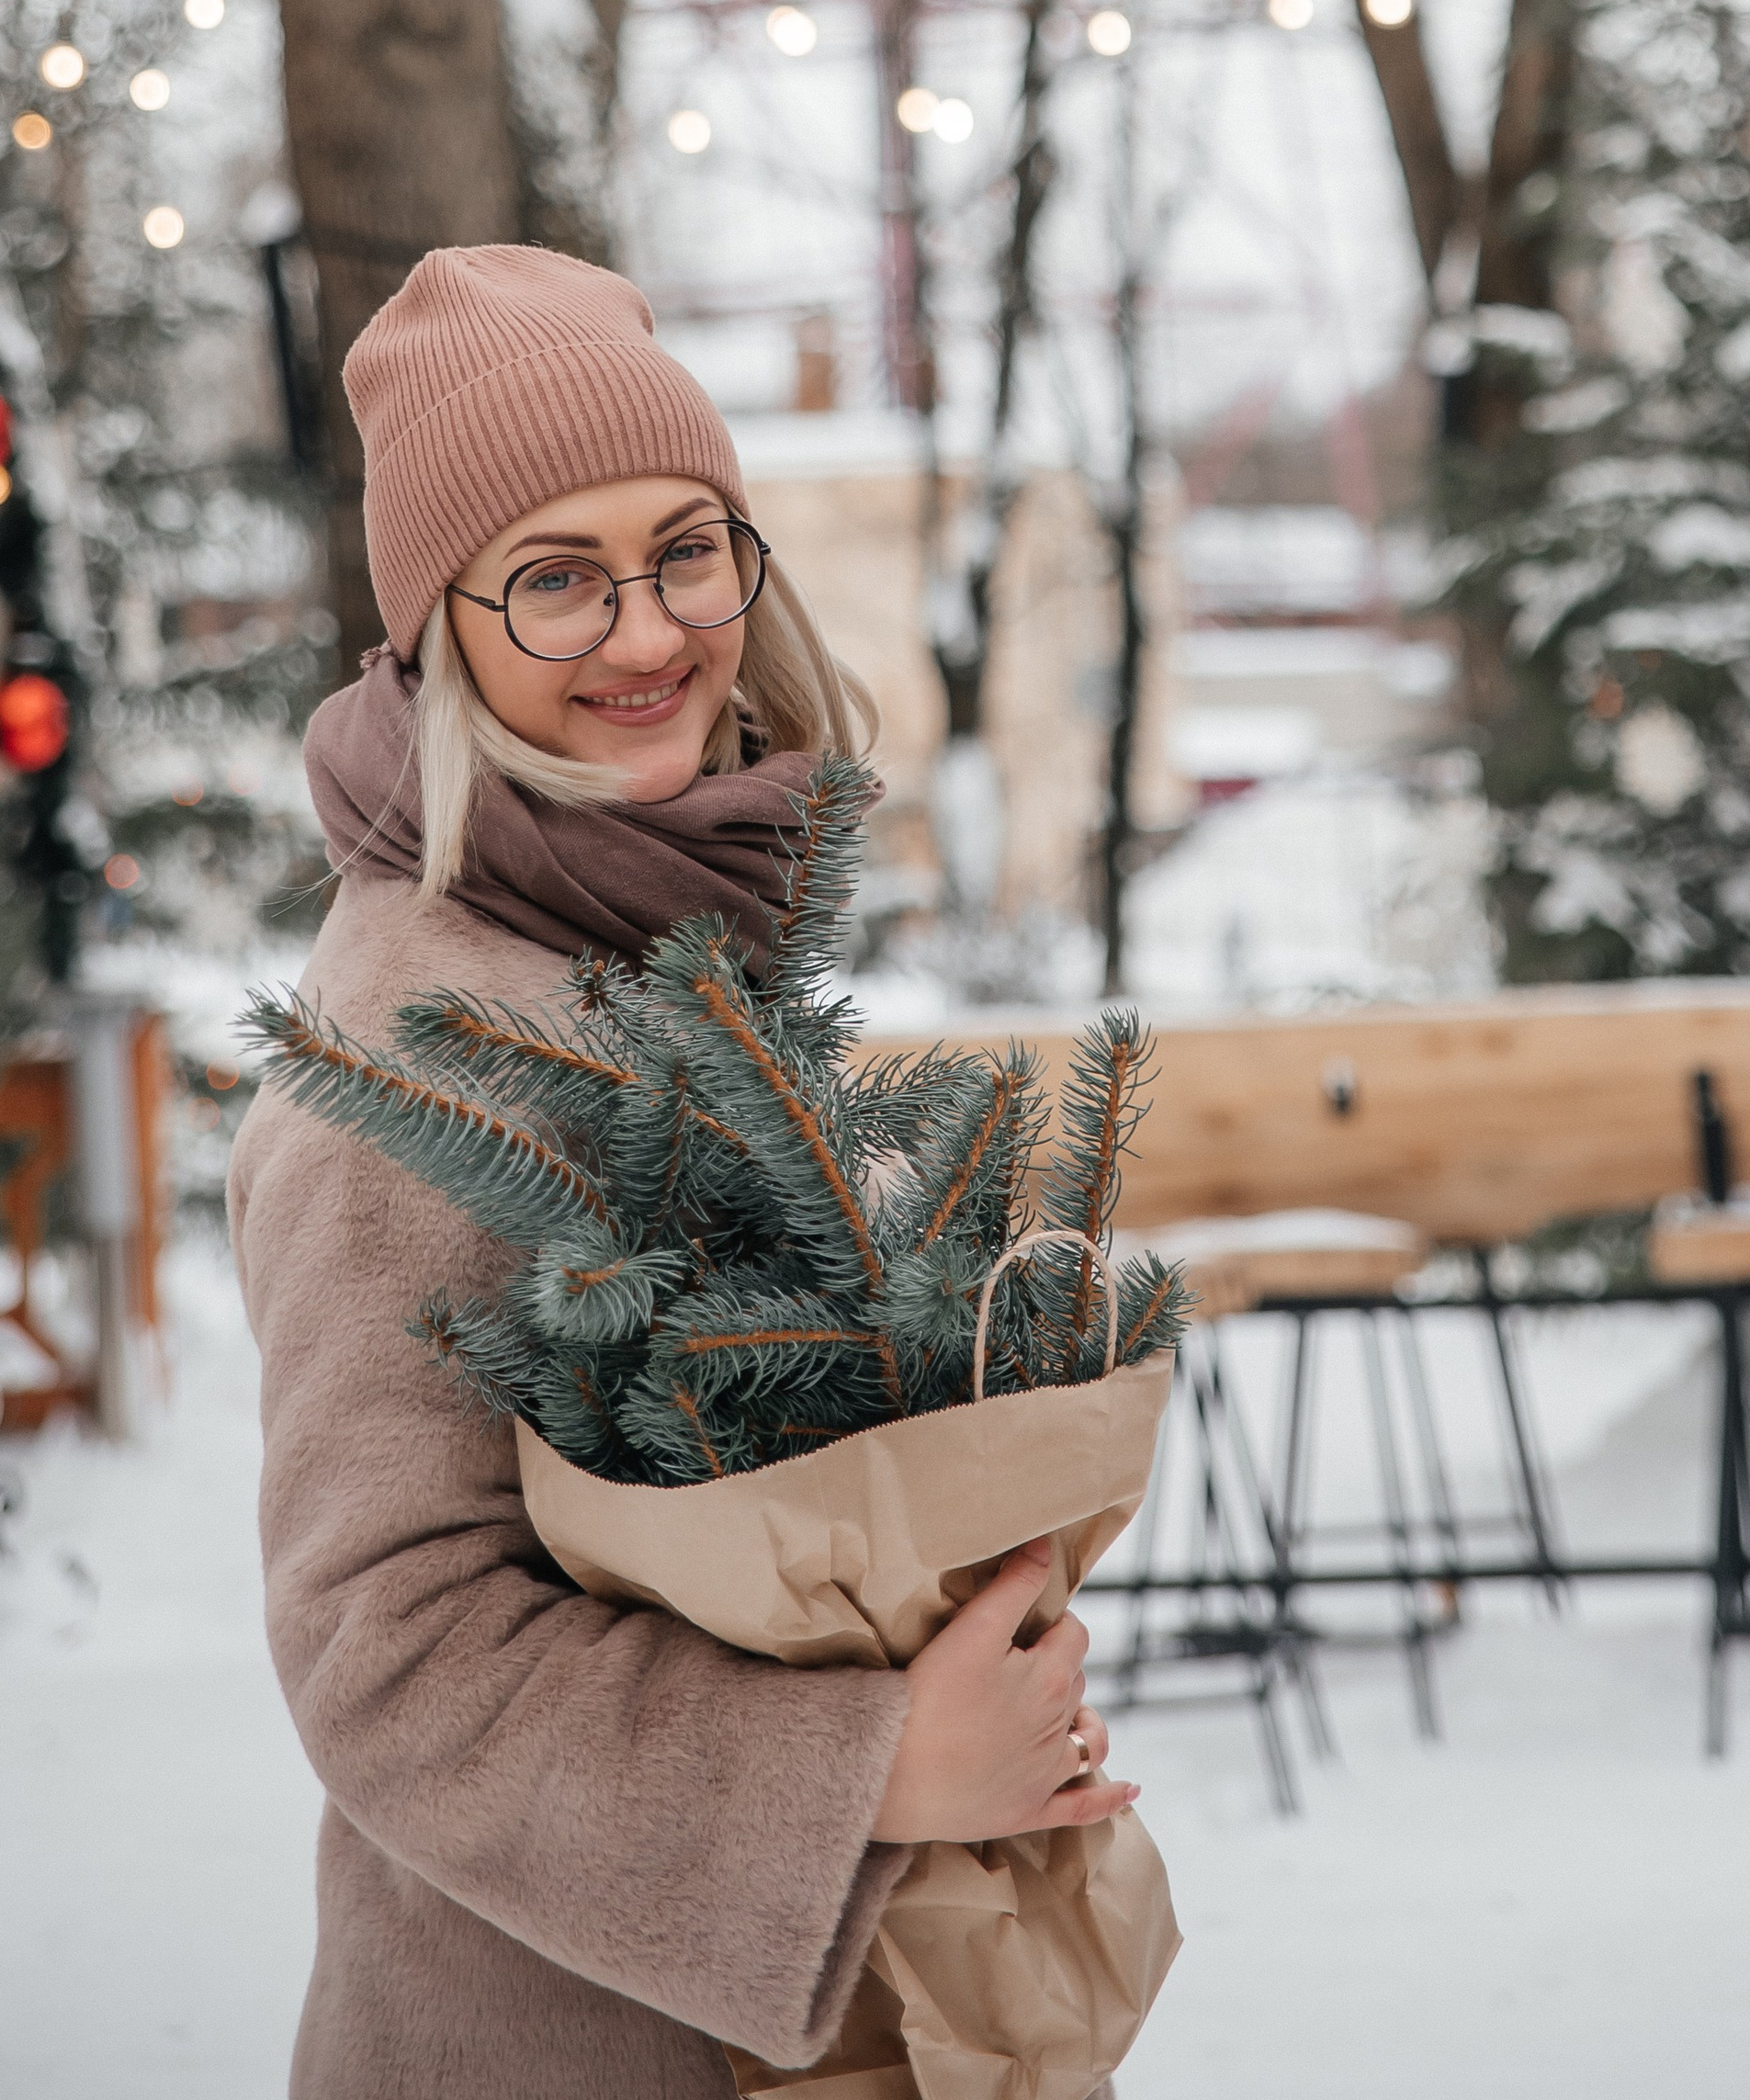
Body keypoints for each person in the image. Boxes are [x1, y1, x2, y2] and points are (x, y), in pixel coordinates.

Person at [231, 245, 1136, 2098]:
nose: (648, 635)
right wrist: (872, 1768)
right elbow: (383, 1653)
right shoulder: (423, 1048)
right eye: (556, 579)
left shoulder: (649, 935)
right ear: (438, 630)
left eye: (684, 549)